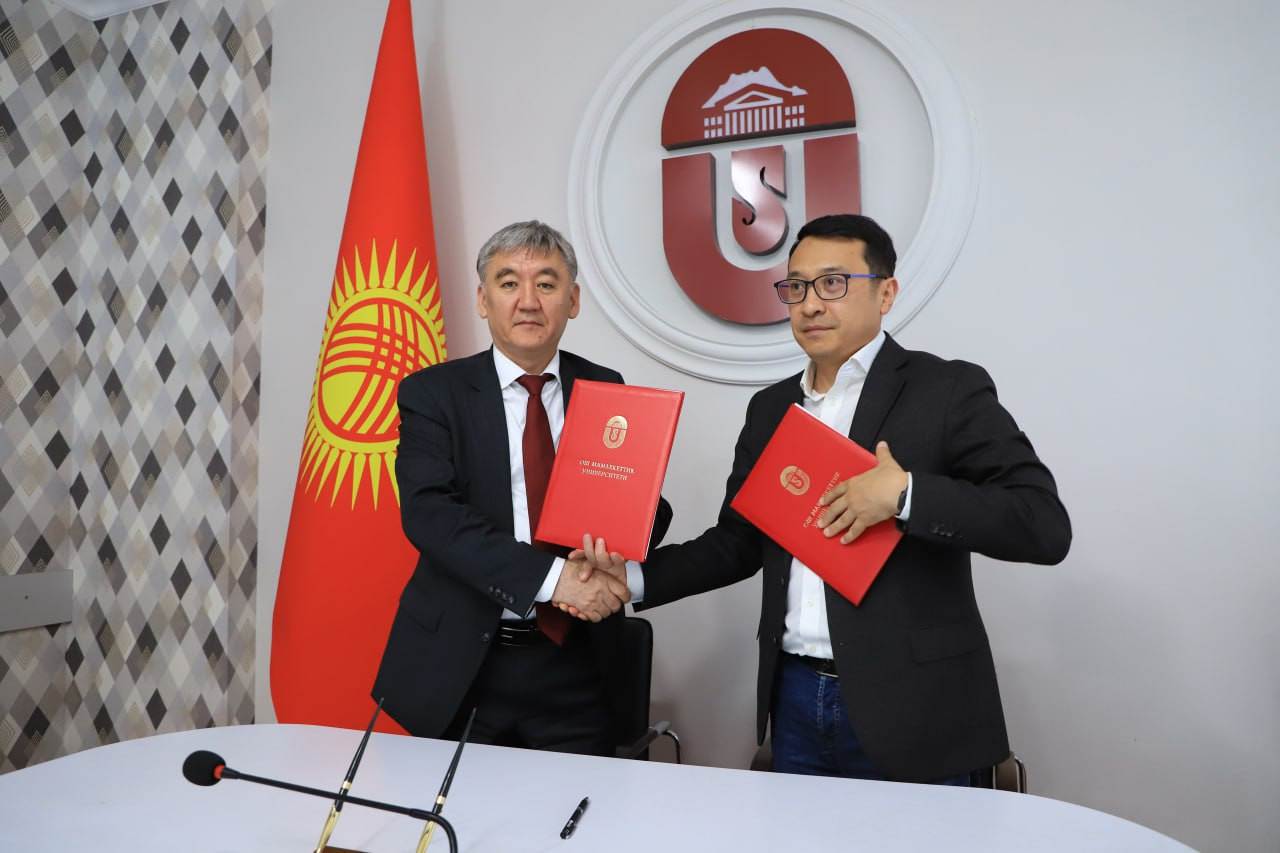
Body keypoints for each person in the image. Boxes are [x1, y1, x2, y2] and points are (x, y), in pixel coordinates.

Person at [576, 213, 1070, 783]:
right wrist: (630, 580)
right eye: (797, 286)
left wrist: (907, 494)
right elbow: (738, 543)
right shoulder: (770, 409)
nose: (810, 304)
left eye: (834, 283)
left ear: (886, 293)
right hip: (794, 699)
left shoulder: (946, 390)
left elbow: (1042, 523)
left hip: (916, 704)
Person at [373, 220, 671, 755]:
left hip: (579, 661)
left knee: (579, 806)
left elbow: (639, 504)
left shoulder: (606, 387)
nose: (528, 301)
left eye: (547, 284)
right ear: (483, 300)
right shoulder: (433, 393)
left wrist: (621, 546)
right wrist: (555, 581)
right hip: (465, 663)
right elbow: (430, 515)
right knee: (456, 808)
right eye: (509, 283)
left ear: (572, 301)